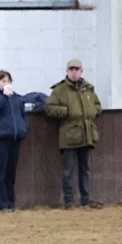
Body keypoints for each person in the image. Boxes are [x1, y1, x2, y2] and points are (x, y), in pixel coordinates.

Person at [45, 58, 104, 209]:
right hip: (69, 136)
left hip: (87, 134)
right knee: (68, 171)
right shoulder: (60, 90)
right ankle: (69, 201)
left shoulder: (88, 89)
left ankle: (86, 200)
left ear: (81, 71)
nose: (74, 72)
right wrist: (65, 111)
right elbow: (49, 108)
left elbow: (98, 106)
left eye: (77, 69)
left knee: (85, 169)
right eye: (71, 69)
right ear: (67, 71)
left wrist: (92, 111)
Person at [0, 70, 28, 212]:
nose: (6, 84)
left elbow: (22, 114)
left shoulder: (17, 98)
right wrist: (3, 97)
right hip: (0, 138)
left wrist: (23, 128)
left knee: (11, 172)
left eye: (8, 81)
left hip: (15, 138)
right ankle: (1, 204)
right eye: (3, 81)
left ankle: (11, 202)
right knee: (0, 172)